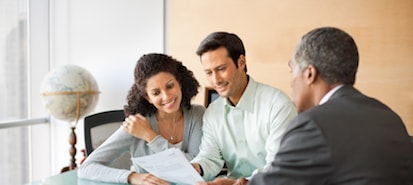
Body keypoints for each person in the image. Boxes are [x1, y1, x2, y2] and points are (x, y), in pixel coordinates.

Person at [249, 27, 413, 185]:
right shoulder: (390, 118)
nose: (291, 82)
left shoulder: (312, 125)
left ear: (309, 74)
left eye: (292, 70)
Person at [78, 53, 205, 185]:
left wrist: (151, 137)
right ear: (147, 97)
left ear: (180, 83)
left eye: (170, 86)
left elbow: (194, 166)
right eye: (156, 93)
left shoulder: (196, 114)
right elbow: (87, 168)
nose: (166, 97)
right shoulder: (137, 124)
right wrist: (133, 177)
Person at [191, 32, 297, 185]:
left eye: (221, 69)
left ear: (241, 62)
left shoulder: (278, 105)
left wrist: (244, 183)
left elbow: (279, 167)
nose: (216, 80)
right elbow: (209, 157)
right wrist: (197, 167)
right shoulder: (213, 112)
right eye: (209, 72)